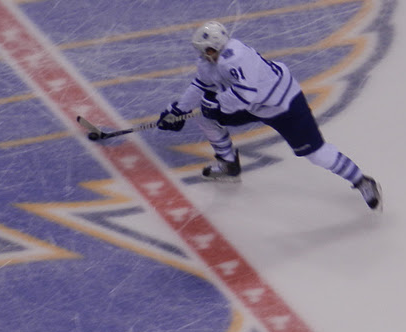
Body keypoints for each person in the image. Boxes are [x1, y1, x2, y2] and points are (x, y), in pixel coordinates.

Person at [157, 21, 382, 211]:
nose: (203, 55)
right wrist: (179, 110)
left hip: (285, 106)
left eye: (206, 51)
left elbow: (245, 95)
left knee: (316, 154)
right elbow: (201, 85)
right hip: (256, 106)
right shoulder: (210, 61)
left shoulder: (235, 58)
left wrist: (217, 106)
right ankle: (228, 164)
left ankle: (362, 180)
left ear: (215, 47)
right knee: (206, 118)